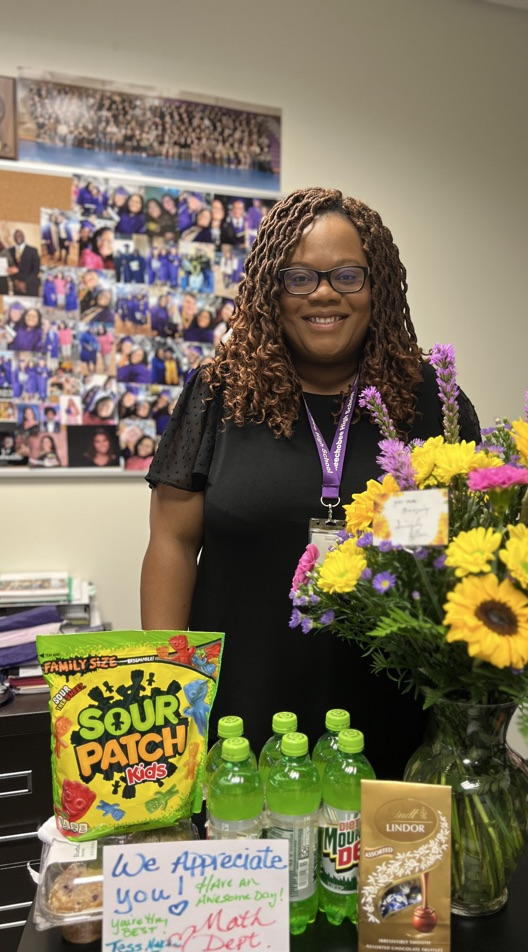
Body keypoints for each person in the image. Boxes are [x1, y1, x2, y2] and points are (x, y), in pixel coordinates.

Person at [141, 187, 481, 781]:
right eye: (299, 277)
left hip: (396, 716)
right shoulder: (218, 393)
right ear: (272, 289)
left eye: (347, 275)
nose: (324, 293)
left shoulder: (432, 405)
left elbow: (468, 554)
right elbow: (171, 541)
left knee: (383, 872)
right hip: (238, 720)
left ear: (379, 288)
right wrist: (168, 700)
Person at [7, 229, 41, 297]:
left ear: (24, 237)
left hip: (31, 286)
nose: (18, 237)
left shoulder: (33, 250)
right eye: (16, 236)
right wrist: (16, 282)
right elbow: (8, 268)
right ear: (13, 238)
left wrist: (25, 283)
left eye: (20, 235)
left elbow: (36, 269)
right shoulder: (9, 251)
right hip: (17, 287)